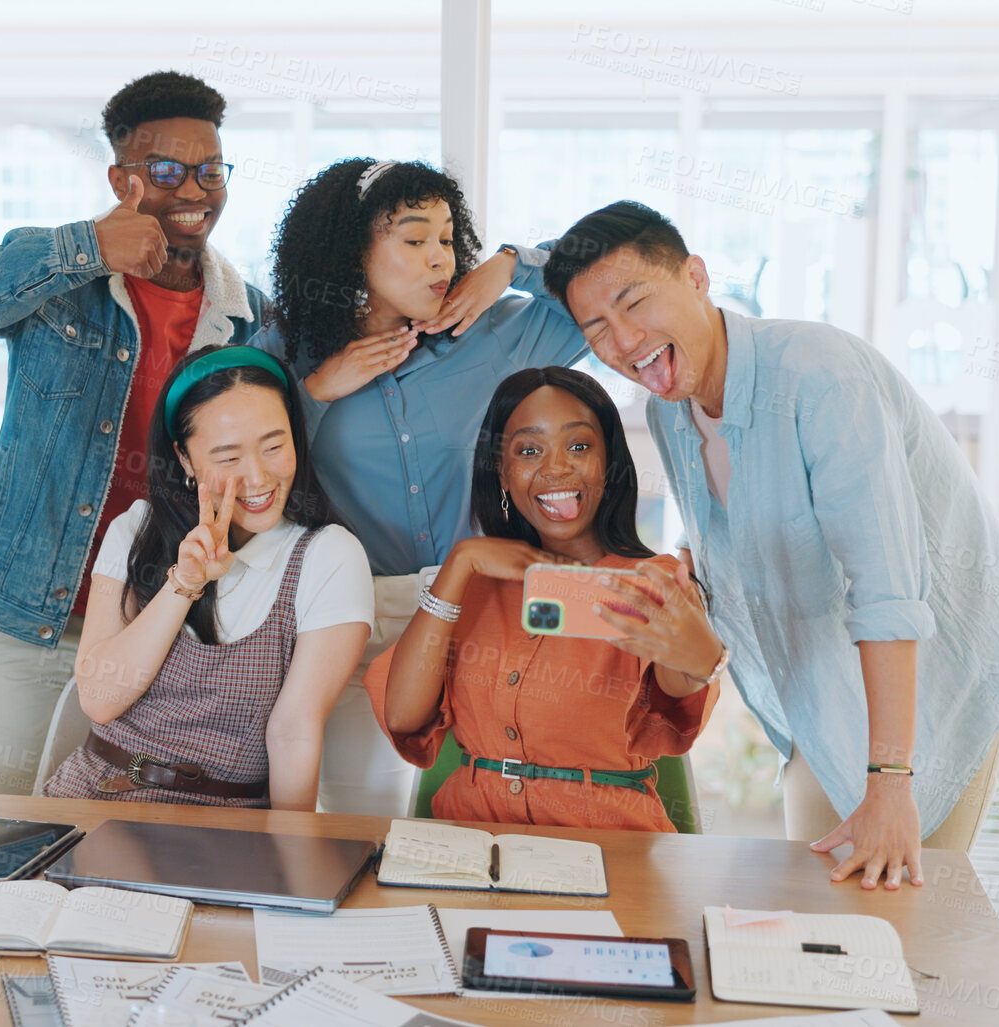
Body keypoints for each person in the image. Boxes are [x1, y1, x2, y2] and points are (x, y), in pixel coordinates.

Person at [543, 200, 999, 886]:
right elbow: (733, 537)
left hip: (936, 687)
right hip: (822, 700)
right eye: (595, 327)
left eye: (634, 302)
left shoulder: (817, 376)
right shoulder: (669, 409)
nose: (623, 339)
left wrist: (891, 785)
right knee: (820, 929)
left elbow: (887, 590)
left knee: (895, 928)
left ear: (694, 276)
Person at [0, 72, 267, 795]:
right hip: (36, 610)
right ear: (121, 179)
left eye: (210, 170)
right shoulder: (55, 270)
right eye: (166, 170)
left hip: (160, 622)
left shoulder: (250, 318)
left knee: (125, 834)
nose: (193, 190)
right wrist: (87, 247)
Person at [252, 158, 593, 814]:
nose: (439, 258)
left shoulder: (493, 334)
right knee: (359, 827)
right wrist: (317, 391)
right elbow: (240, 470)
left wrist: (511, 263)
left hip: (483, 616)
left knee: (486, 826)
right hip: (352, 623)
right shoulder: (286, 352)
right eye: (414, 240)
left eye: (445, 238)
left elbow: (607, 283)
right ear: (352, 254)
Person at [365, 367, 723, 829]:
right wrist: (459, 564)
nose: (556, 468)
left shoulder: (649, 582)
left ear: (607, 462)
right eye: (529, 451)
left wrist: (702, 657)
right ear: (503, 472)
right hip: (472, 847)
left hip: (610, 850)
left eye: (579, 446)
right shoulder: (469, 584)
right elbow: (403, 715)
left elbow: (680, 685)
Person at [41, 347, 372, 810]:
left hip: (226, 828)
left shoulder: (328, 556)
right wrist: (184, 583)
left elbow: (293, 731)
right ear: (184, 457)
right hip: (95, 798)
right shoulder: (137, 528)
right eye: (228, 457)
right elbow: (99, 699)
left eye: (274, 446)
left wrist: (291, 864)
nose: (257, 478)